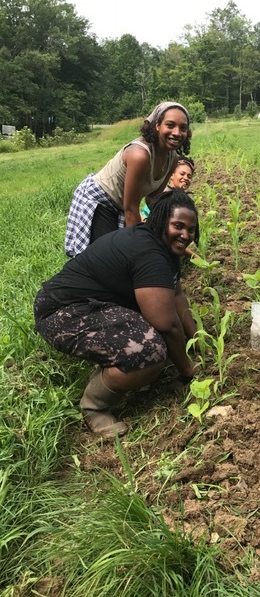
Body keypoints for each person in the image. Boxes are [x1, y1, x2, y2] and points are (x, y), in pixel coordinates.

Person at [35, 189, 199, 437]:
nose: (185, 235)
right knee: (149, 351)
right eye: (178, 225)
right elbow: (167, 325)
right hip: (62, 312)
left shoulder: (159, 245)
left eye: (191, 229)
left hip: (93, 305)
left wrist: (198, 340)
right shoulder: (149, 254)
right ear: (160, 220)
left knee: (154, 332)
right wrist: (188, 370)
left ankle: (112, 360)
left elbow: (176, 295)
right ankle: (94, 406)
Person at [65, 101, 191, 258]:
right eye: (170, 125)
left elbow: (153, 200)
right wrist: (139, 251)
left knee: (118, 255)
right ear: (157, 125)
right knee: (103, 258)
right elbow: (131, 208)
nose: (177, 132)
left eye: (183, 128)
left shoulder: (172, 159)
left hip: (121, 206)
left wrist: (171, 223)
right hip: (100, 200)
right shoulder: (140, 155)